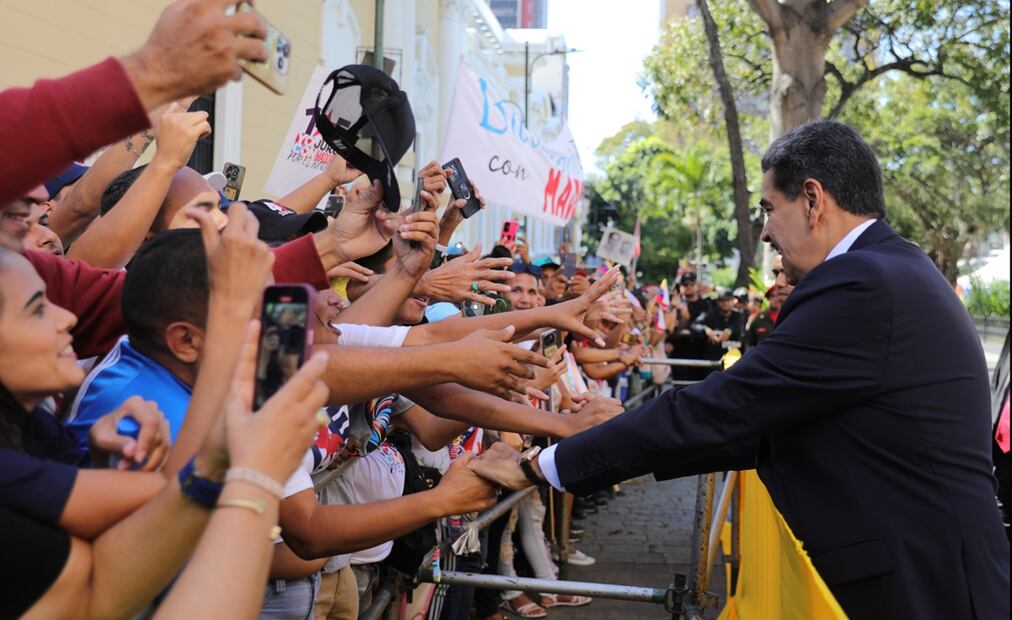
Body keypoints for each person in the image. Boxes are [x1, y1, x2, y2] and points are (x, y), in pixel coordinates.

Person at [471, 120, 1010, 619]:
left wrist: (539, 467)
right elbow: (769, 427)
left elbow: (728, 407)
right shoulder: (891, 268)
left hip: (920, 584)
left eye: (768, 209)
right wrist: (611, 431)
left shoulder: (863, 282)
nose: (767, 232)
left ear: (813, 199)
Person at [743, 255, 794, 350]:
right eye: (776, 273)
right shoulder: (757, 319)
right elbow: (750, 346)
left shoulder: (803, 316)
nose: (779, 283)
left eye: (786, 272)